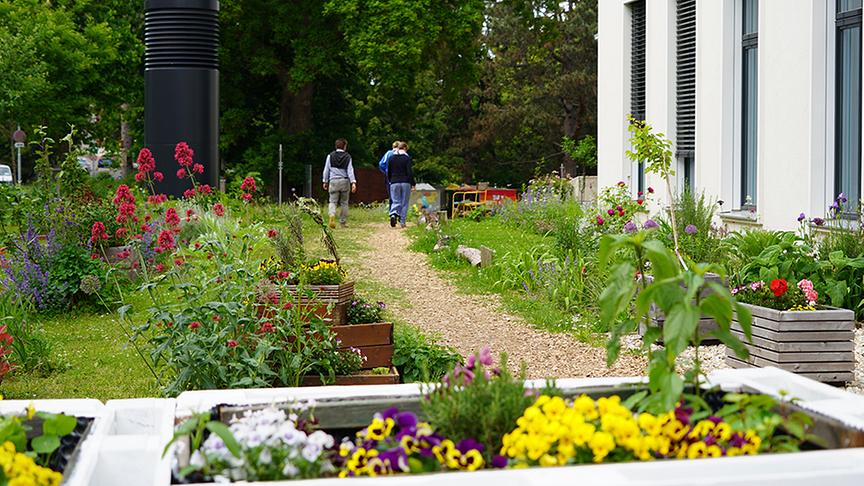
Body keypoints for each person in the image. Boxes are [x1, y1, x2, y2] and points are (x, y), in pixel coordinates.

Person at [322, 138, 356, 228]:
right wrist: (353, 182)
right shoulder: (347, 156)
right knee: (344, 202)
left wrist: (325, 181)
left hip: (333, 181)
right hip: (344, 181)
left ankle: (332, 215)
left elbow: (326, 169)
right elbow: (350, 170)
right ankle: (342, 222)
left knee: (332, 201)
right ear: (344, 146)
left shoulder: (330, 156)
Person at [386, 142, 415, 228]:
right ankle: (402, 221)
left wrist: (390, 180)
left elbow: (389, 172)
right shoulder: (406, 159)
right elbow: (409, 172)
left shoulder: (391, 158)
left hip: (394, 182)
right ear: (405, 149)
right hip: (405, 182)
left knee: (395, 200)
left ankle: (393, 214)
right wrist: (413, 183)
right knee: (404, 202)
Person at [378, 141, 399, 213]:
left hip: (389, 177)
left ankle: (391, 212)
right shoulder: (401, 154)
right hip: (400, 177)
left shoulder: (388, 153)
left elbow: (381, 164)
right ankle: (398, 212)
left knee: (391, 195)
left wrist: (386, 172)